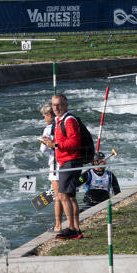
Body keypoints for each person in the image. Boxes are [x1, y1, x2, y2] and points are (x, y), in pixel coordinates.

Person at [41, 93, 83, 238]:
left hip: (69, 161)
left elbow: (75, 142)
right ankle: (75, 229)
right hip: (65, 161)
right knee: (69, 196)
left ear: (66, 105)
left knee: (64, 195)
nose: (56, 107)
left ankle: (71, 228)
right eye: (54, 105)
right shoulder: (60, 121)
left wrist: (55, 145)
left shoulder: (68, 121)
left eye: (59, 105)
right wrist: (51, 143)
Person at [39, 100, 63, 233]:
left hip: (55, 165)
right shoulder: (63, 123)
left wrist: (51, 148)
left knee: (58, 196)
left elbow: (43, 150)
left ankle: (58, 225)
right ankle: (70, 223)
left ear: (50, 114)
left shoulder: (49, 129)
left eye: (44, 115)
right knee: (67, 195)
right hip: (67, 163)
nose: (44, 118)